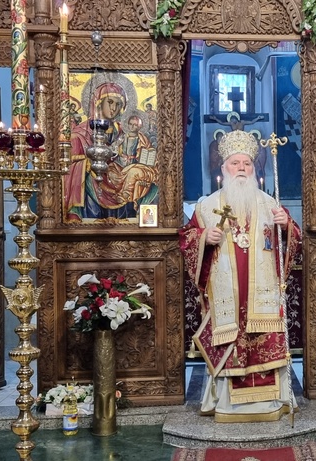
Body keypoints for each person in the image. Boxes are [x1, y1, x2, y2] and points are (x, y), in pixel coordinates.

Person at [179, 129, 301, 423]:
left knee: (263, 335)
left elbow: (293, 242)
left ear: (255, 168)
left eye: (247, 163)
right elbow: (187, 240)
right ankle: (226, 402)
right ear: (223, 168)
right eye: (235, 163)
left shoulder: (271, 205)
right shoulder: (206, 207)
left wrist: (286, 226)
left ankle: (272, 400)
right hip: (227, 295)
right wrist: (204, 237)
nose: (242, 169)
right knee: (230, 335)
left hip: (263, 295)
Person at [64, 81, 158, 223]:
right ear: (98, 103)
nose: (114, 108)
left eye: (118, 104)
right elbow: (68, 165)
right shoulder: (80, 134)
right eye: (110, 102)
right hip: (95, 183)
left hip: (122, 173)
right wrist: (87, 164)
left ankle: (143, 218)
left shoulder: (124, 130)